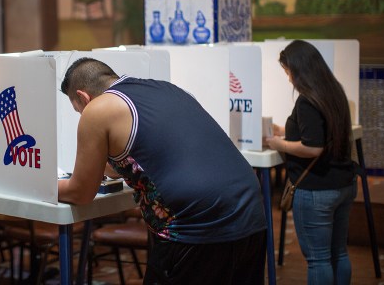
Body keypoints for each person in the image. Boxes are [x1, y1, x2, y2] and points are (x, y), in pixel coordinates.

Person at [59, 57, 267, 284]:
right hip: (250, 212)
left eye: (78, 110)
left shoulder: (98, 108)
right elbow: (152, 157)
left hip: (196, 227)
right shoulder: (165, 89)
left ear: (82, 97)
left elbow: (81, 192)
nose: (82, 115)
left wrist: (41, 185)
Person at [265, 40, 357, 285]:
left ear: (300, 69)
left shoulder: (307, 100)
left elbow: (313, 147)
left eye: (288, 72)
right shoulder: (333, 91)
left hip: (317, 190)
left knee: (318, 259)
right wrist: (284, 130)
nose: (288, 79)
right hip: (344, 184)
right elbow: (321, 132)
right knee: (339, 252)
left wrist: (278, 144)